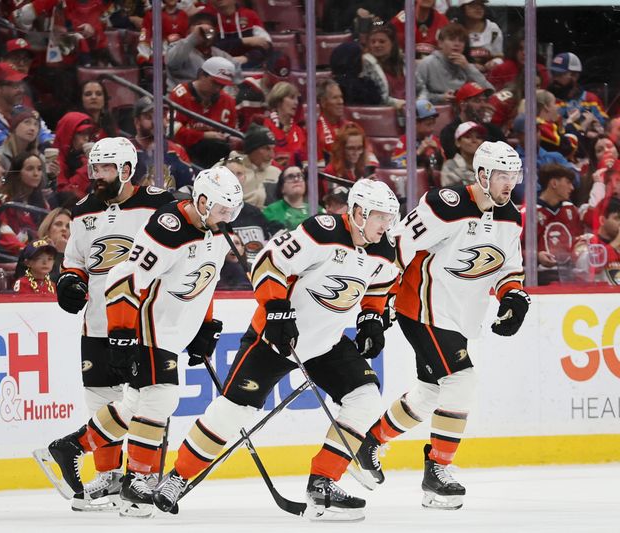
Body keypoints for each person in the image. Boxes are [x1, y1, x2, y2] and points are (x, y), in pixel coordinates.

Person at [153, 179, 401, 521]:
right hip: (274, 338)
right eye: (380, 217)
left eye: (390, 218)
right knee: (233, 412)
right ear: (358, 213)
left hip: (325, 343)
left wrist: (371, 317)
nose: (386, 225)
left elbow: (380, 286)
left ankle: (323, 483)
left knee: (365, 397)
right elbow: (269, 262)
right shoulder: (321, 231)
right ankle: (176, 478)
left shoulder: (384, 249)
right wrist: (276, 307)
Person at [55, 166, 242, 518]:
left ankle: (71, 447)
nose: (227, 218)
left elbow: (206, 281)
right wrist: (122, 334)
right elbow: (121, 276)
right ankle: (138, 481)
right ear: (201, 202)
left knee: (134, 405)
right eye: (222, 210)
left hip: (174, 331)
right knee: (160, 399)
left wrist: (206, 326)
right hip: (150, 327)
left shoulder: (216, 231)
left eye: (232, 211)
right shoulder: (166, 228)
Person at [356, 141, 530, 511]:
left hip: (459, 317)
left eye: (514, 177)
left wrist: (513, 296)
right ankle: (438, 471)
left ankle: (368, 444)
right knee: (462, 379)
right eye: (502, 176)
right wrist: (374, 304)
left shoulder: (511, 217)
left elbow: (506, 268)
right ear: (482, 175)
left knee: (430, 393)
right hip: (422, 308)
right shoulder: (445, 205)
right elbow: (397, 246)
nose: (509, 185)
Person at [39, 137, 175, 512]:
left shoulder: (161, 205)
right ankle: (111, 476)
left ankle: (141, 475)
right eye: (94, 168)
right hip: (97, 323)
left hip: (144, 323)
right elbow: (74, 261)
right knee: (100, 398)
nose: (96, 176)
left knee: (146, 400)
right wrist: (69, 281)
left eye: (106, 169)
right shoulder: (83, 210)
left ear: (127, 170)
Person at [169, 56, 238, 169]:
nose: (218, 89)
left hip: (217, 156)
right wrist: (204, 135)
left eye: (222, 85)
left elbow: (231, 133)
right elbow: (172, 131)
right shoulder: (180, 94)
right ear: (202, 75)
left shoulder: (228, 101)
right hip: (186, 152)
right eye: (215, 83)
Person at [527, 164, 584, 285]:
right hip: (540, 276)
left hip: (571, 274)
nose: (572, 187)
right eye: (568, 182)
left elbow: (579, 239)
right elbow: (517, 249)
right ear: (554, 183)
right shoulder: (529, 212)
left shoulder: (571, 210)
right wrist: (536, 256)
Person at [0, 62, 54, 149]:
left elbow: (47, 137)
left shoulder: (25, 111)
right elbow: (1, 144)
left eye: (21, 85)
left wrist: (47, 143)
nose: (21, 90)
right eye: (15, 86)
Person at [417, 23, 493, 105]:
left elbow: (489, 91)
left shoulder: (466, 65)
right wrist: (440, 98)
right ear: (440, 43)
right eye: (452, 39)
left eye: (461, 41)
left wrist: (468, 68)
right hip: (435, 111)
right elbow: (416, 95)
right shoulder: (427, 63)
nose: (457, 44)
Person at [223, 156, 280, 263]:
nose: (234, 178)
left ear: (244, 178)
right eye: (230, 173)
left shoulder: (256, 214)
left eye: (239, 174)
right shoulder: (212, 214)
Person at [129, 96, 193, 190]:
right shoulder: (125, 150)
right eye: (149, 117)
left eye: (161, 116)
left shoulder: (177, 152)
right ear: (137, 122)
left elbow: (188, 190)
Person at [165, 12, 236, 91]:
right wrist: (193, 37)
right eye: (199, 25)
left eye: (210, 27)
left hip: (212, 100)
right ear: (189, 30)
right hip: (181, 98)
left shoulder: (221, 55)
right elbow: (172, 63)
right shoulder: (177, 46)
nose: (205, 30)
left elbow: (234, 80)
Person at [440, 82, 504, 159]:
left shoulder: (493, 131)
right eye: (477, 101)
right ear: (463, 105)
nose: (483, 105)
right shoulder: (450, 132)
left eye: (484, 101)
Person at [547, 52, 608, 131]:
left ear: (575, 76)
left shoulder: (590, 99)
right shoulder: (548, 100)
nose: (555, 78)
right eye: (553, 74)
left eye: (560, 74)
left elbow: (605, 126)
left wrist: (593, 122)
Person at [203, 0, 272, 69]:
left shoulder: (250, 15)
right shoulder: (204, 17)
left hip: (248, 64)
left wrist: (247, 57)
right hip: (216, 66)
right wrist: (243, 41)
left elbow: (266, 44)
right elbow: (208, 48)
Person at [236, 52, 292, 132]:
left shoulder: (289, 93)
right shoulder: (250, 90)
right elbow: (248, 129)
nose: (279, 82)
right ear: (265, 67)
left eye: (283, 79)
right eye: (275, 77)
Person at [2, 151, 51, 237]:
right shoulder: (6, 200)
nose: (36, 174)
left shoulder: (43, 200)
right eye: (30, 169)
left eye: (39, 169)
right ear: (17, 173)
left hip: (40, 245)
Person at [361, 21, 406, 110]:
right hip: (385, 114)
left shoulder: (404, 61)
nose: (376, 45)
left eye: (382, 41)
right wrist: (402, 104)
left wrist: (420, 101)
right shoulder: (366, 64)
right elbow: (379, 97)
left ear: (392, 43)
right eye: (373, 42)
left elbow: (421, 88)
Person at [391, 99, 444, 174]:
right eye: (428, 124)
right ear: (415, 122)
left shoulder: (434, 140)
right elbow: (395, 165)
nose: (432, 128)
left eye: (433, 124)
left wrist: (438, 152)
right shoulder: (405, 141)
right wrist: (418, 153)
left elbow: (444, 166)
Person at [234, 125, 280, 209]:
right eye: (267, 149)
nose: (272, 155)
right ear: (252, 149)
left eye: (273, 149)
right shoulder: (230, 169)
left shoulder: (276, 173)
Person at [263, 82, 307, 169]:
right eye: (291, 98)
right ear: (279, 100)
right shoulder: (265, 126)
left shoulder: (299, 131)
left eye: (297, 99)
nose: (296, 102)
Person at [52, 112, 95, 200]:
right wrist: (89, 166)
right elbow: (66, 194)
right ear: (68, 134)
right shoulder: (54, 161)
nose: (86, 138)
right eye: (80, 133)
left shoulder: (83, 157)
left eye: (87, 133)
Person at [263, 167, 316, 231]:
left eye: (300, 176)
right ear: (282, 188)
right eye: (290, 177)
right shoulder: (271, 211)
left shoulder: (317, 209)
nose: (296, 179)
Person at [330, 41, 382, 106]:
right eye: (361, 55)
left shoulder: (328, 87)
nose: (363, 59)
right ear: (356, 60)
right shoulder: (369, 88)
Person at [458, 0, 503, 71]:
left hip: (487, 76)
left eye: (481, 5)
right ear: (463, 8)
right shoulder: (454, 28)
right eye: (474, 5)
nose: (479, 8)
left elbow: (499, 56)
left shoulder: (493, 29)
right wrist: (470, 66)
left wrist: (494, 62)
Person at [584, 197, 620, 285]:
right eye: (617, 218)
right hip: (597, 296)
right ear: (602, 220)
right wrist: (615, 243)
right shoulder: (587, 240)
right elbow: (590, 267)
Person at [440, 121, 486, 186]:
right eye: (468, 137)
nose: (474, 140)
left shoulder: (487, 165)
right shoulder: (450, 166)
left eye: (478, 137)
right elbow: (451, 193)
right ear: (457, 143)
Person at [316, 79, 350, 165]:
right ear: (323, 102)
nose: (341, 102)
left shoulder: (352, 127)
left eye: (341, 97)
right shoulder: (313, 131)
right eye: (335, 98)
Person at [37, 207, 71, 280]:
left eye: (68, 226)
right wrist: (59, 253)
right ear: (48, 229)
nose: (64, 229)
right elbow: (49, 283)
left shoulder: (76, 256)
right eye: (58, 224)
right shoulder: (34, 251)